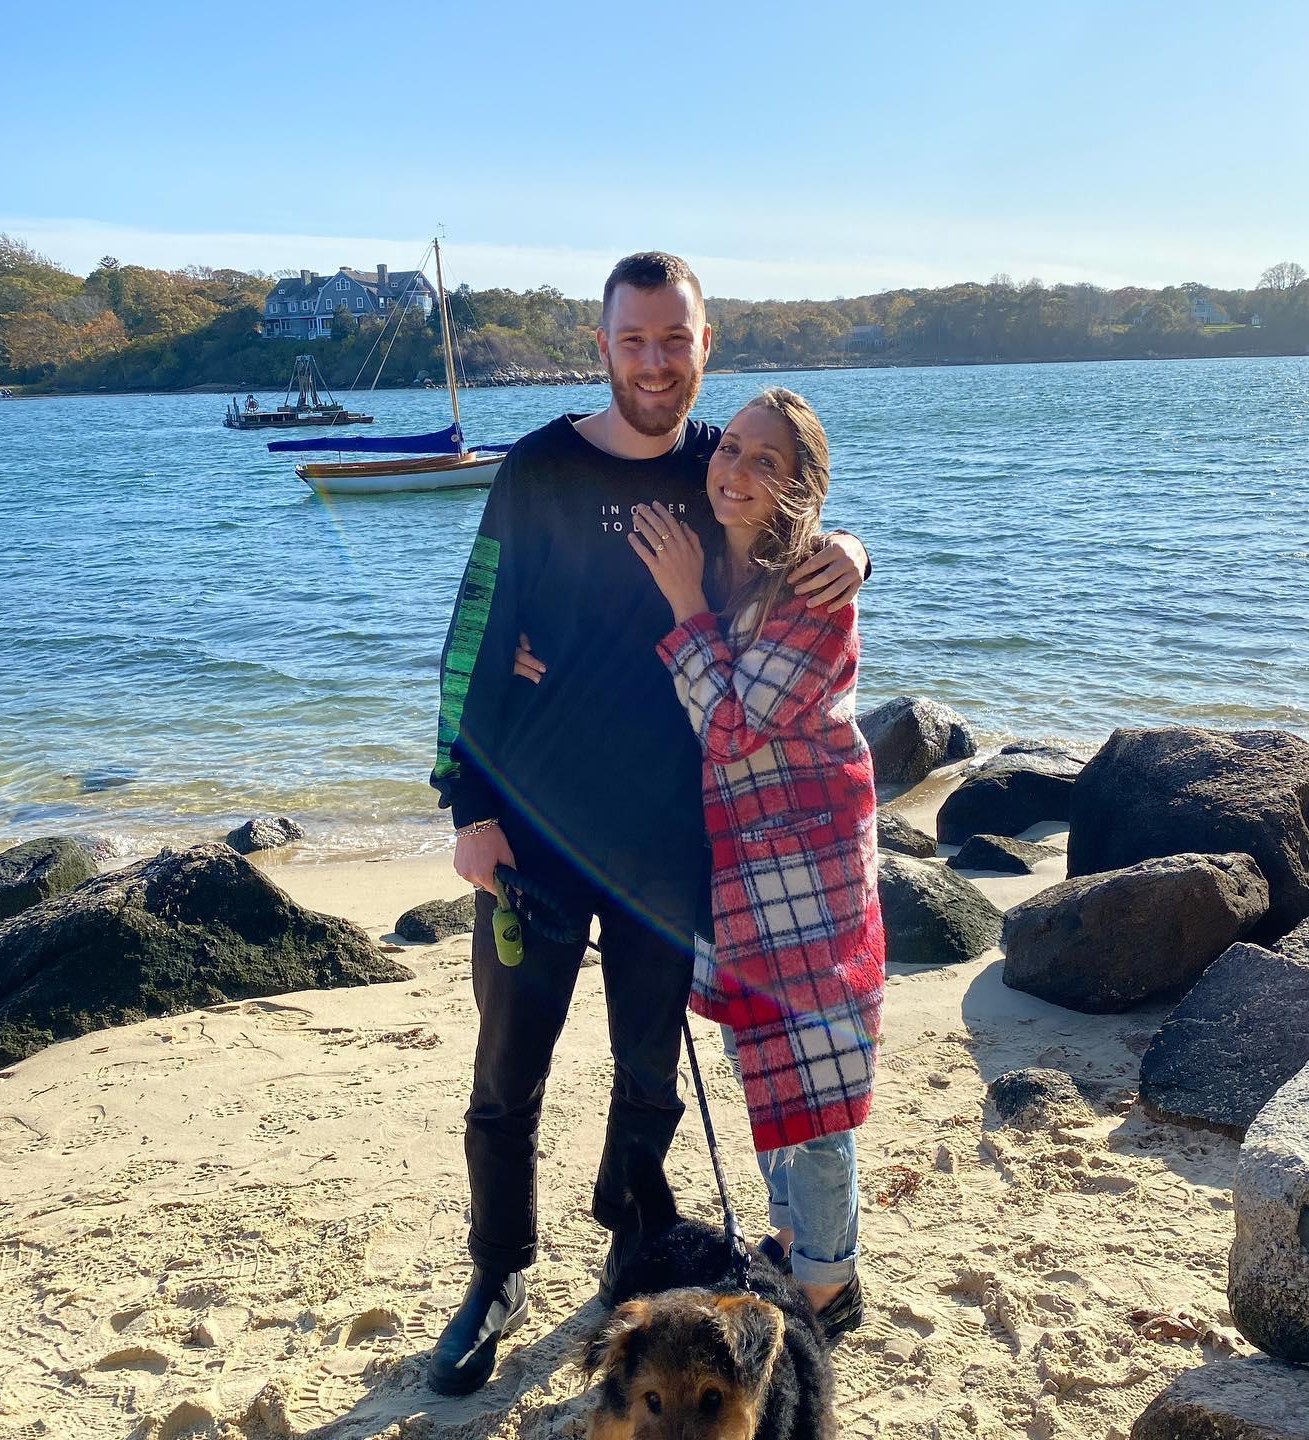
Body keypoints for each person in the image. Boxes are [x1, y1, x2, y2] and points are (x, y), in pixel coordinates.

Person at [425, 253, 871, 1396]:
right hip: (532, 831)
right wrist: (468, 806)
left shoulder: (719, 464)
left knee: (650, 1077)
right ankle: (497, 1273)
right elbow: (476, 632)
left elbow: (800, 520)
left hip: (670, 842)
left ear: (704, 344)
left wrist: (857, 551)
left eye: (676, 340)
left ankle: (629, 1235)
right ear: (604, 344)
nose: (656, 362)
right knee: (507, 1076)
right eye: (635, 340)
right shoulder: (540, 466)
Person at [609, 388, 884, 1343]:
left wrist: (689, 600)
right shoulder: (707, 547)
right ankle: (794, 1237)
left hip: (807, 867)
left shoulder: (810, 592)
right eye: (731, 448)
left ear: (801, 487)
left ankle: (828, 1282)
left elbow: (730, 729)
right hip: (730, 867)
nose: (737, 470)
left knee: (814, 1091)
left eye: (769, 462)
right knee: (762, 1065)